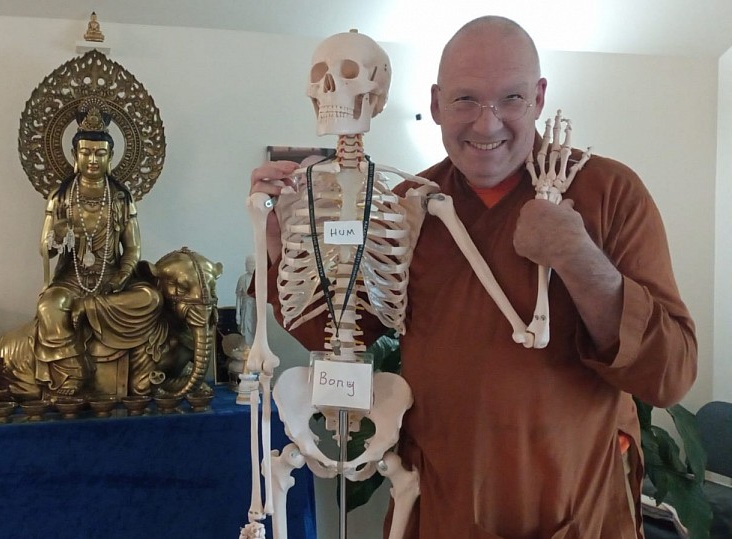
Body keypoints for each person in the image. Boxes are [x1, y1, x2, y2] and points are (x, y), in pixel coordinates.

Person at [249, 16, 697, 539]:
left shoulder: (610, 192)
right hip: (441, 504)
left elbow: (669, 375)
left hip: (575, 506)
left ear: (539, 98)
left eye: (511, 98)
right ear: (436, 103)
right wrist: (276, 245)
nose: (487, 125)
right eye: (465, 100)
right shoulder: (407, 206)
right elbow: (336, 335)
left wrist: (579, 258)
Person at [33, 108, 162, 396]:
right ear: (74, 155)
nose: (93, 160)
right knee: (48, 307)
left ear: (111, 157)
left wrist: (122, 277)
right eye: (86, 152)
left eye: (100, 153)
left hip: (111, 281)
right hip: (71, 280)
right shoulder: (61, 197)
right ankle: (72, 370)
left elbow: (133, 248)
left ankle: (92, 312)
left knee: (152, 298)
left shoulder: (121, 197)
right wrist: (57, 236)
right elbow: (45, 251)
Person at [235, 254, 257, 345]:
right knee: (246, 330)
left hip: (256, 309)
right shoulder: (242, 279)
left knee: (255, 329)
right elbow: (238, 297)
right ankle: (247, 348)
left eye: (253, 264)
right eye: (249, 264)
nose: (251, 266)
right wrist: (237, 314)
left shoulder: (259, 278)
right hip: (246, 308)